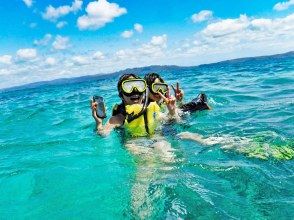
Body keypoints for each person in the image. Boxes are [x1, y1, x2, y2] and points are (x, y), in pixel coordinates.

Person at [91, 73, 177, 137]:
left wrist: (172, 111)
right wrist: (99, 123)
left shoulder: (150, 108)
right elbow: (103, 134)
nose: (134, 91)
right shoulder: (119, 117)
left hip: (156, 138)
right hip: (134, 143)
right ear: (121, 95)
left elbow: (170, 120)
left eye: (139, 86)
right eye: (128, 87)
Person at [144, 72, 211, 113]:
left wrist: (179, 100)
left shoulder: (163, 102)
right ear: (147, 88)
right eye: (155, 87)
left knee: (202, 96)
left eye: (161, 88)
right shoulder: (144, 107)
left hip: (177, 120)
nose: (159, 92)